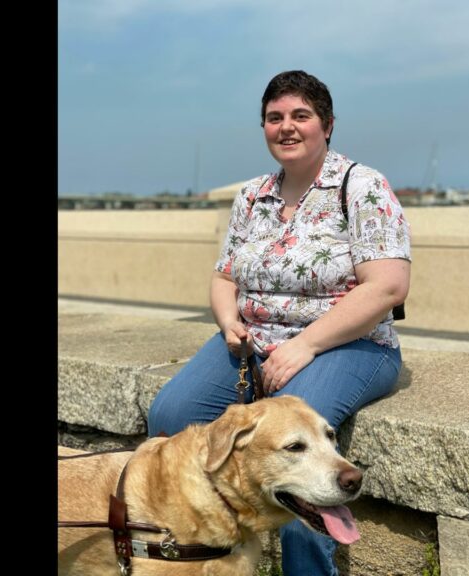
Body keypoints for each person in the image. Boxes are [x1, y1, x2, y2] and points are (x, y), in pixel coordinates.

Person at [147, 70, 411, 575]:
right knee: (171, 415)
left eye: (301, 116)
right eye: (275, 118)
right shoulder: (253, 195)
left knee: (305, 468)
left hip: (350, 344)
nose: (286, 127)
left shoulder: (362, 187)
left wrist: (306, 345)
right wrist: (229, 324)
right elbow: (225, 276)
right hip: (254, 341)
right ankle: (207, 549)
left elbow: (388, 287)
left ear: (327, 125)